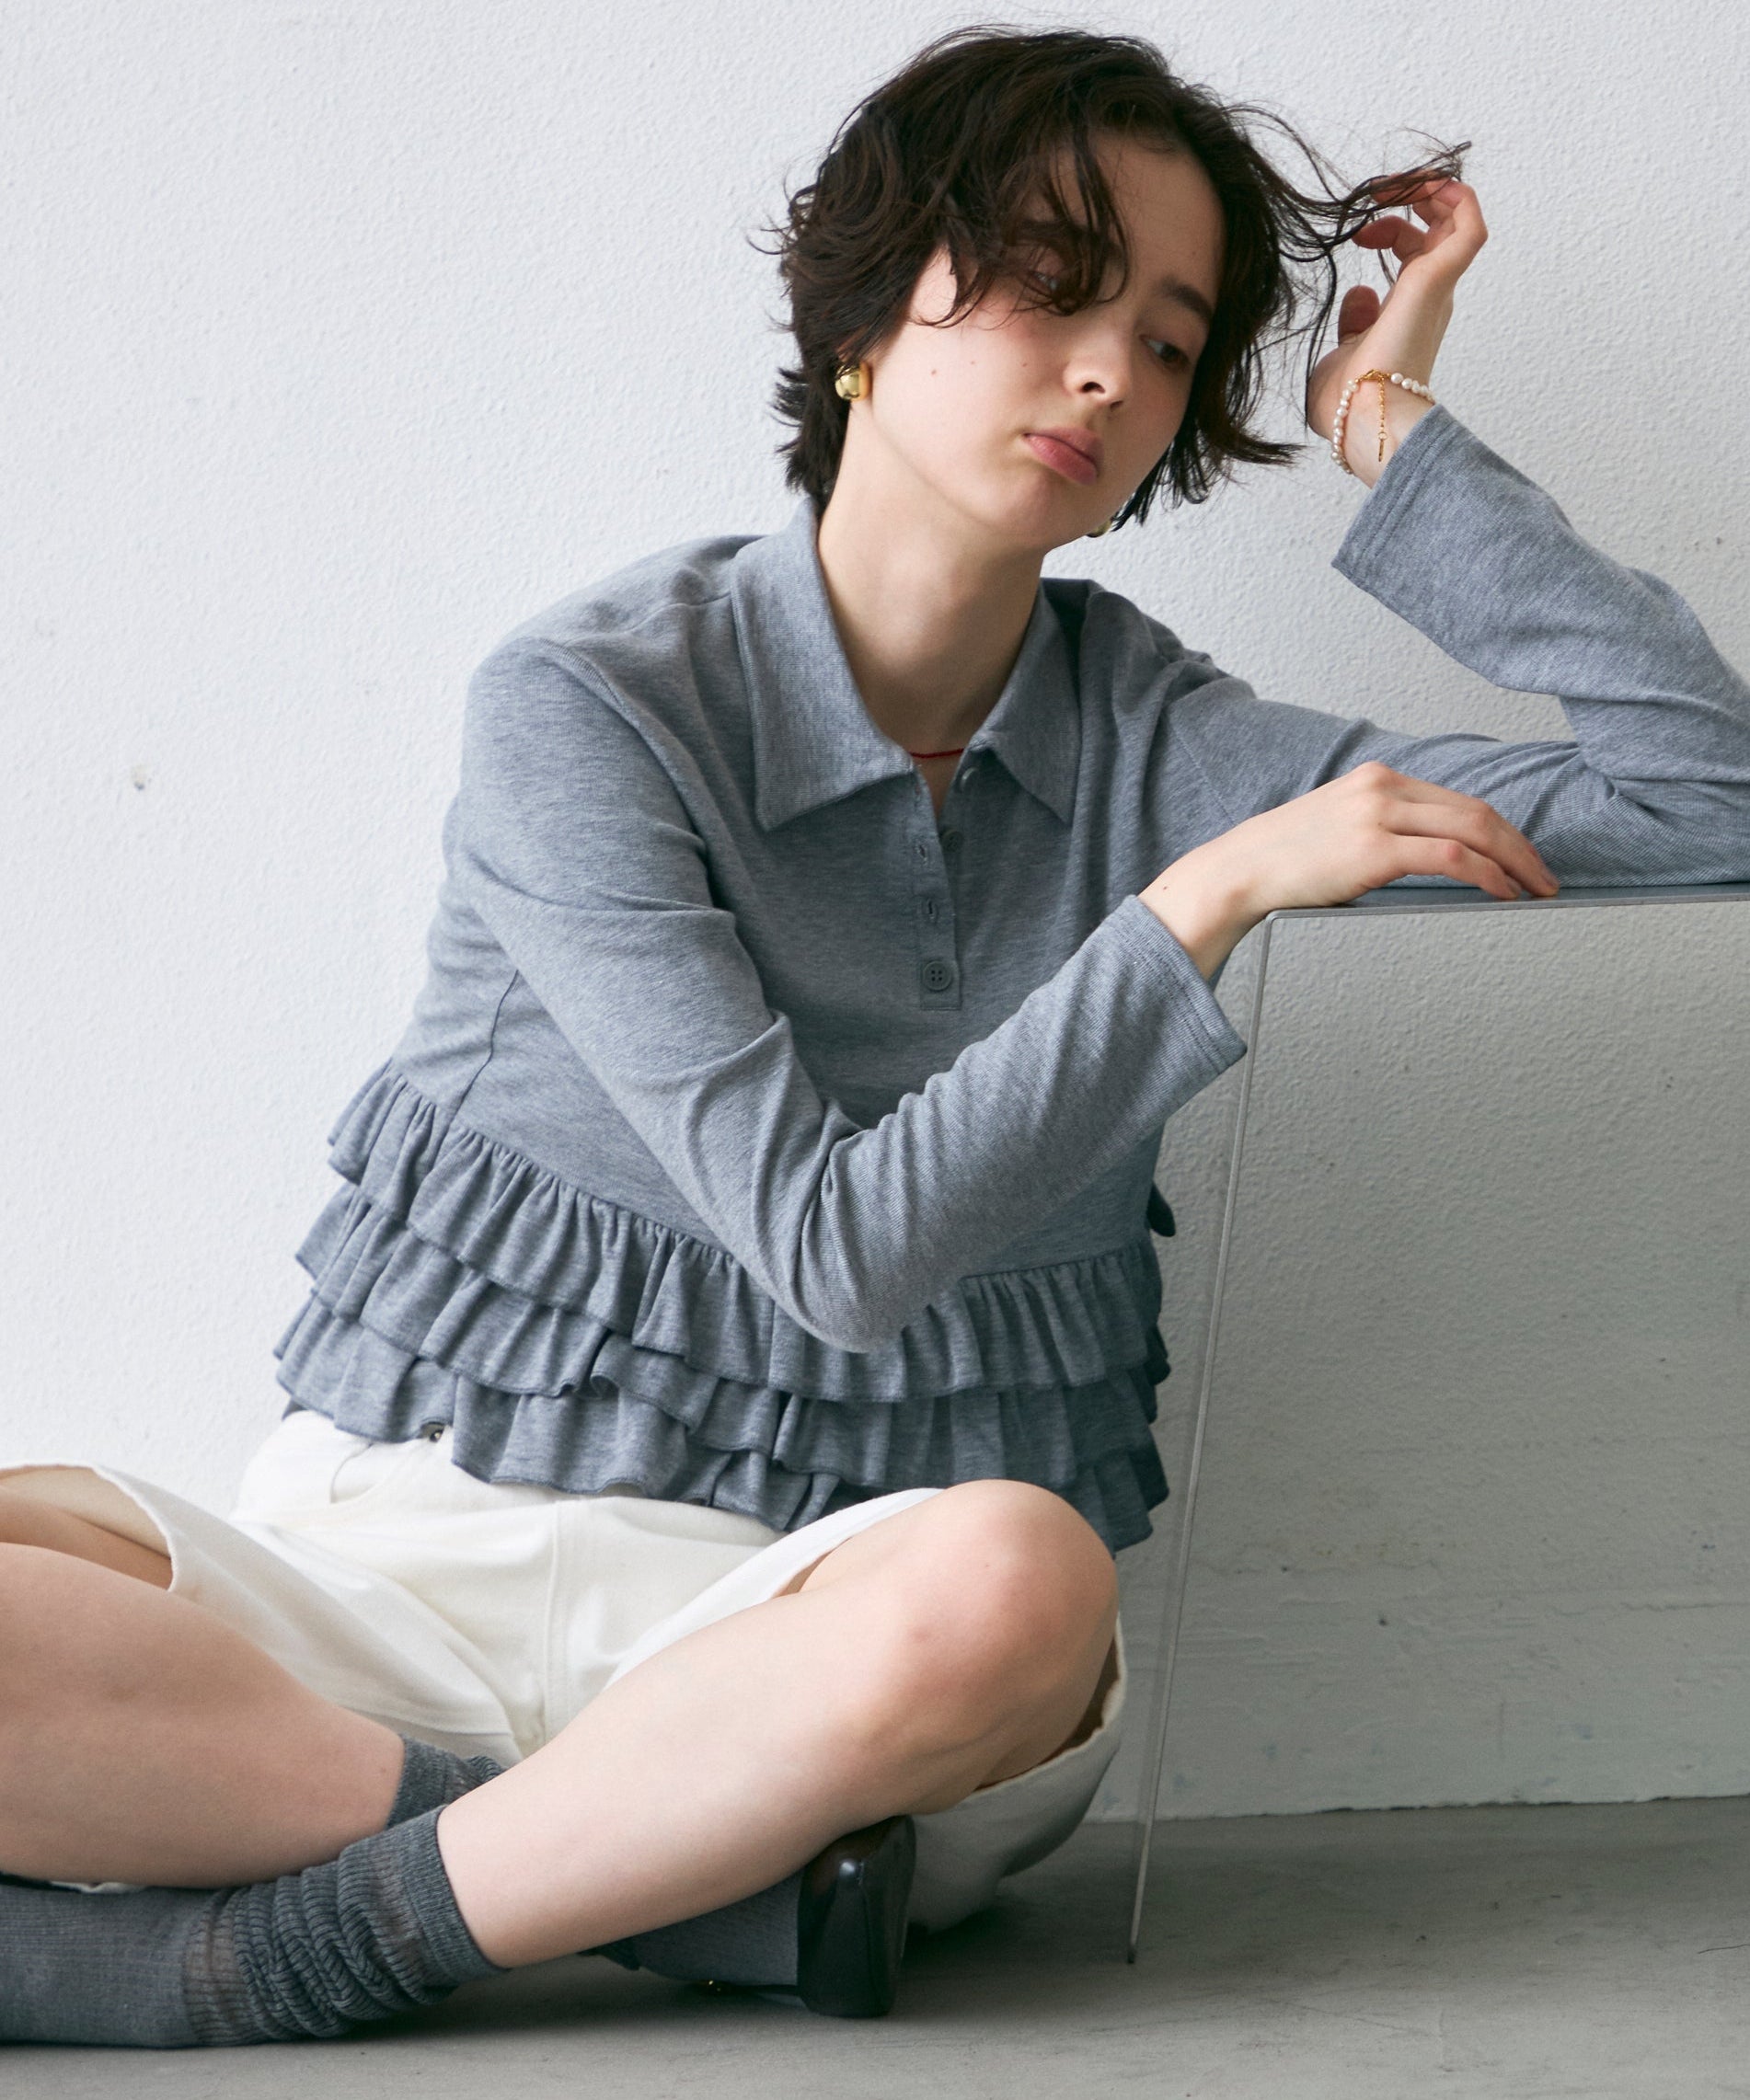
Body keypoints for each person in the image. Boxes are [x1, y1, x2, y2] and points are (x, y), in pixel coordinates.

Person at [4, 21, 1748, 2048]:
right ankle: (671, 1891)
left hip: (842, 1658)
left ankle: (240, 1952)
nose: (1106, 372)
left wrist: (1383, 422)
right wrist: (1195, 917)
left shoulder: (1175, 760)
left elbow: (1709, 794)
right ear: (861, 311)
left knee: (1022, 1576)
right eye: (1048, 284)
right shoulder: (593, 705)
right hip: (392, 1588)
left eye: (1168, 341)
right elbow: (828, 1244)